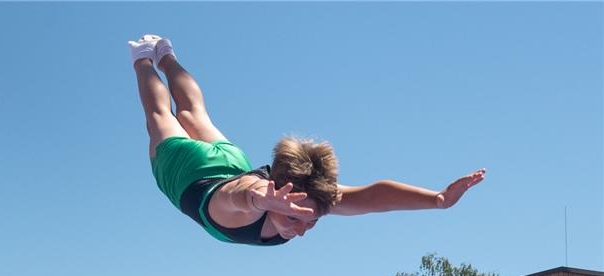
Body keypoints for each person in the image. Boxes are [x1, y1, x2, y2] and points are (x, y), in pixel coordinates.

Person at [129, 34, 485, 247]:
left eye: (310, 221)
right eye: (296, 220)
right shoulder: (250, 200)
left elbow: (374, 197)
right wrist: (257, 198)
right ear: (276, 191)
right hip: (188, 173)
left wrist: (437, 200)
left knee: (194, 113)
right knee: (163, 118)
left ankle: (167, 55)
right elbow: (238, 197)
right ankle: (144, 57)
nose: (300, 231)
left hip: (230, 165)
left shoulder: (307, 198)